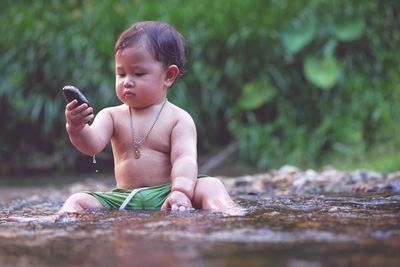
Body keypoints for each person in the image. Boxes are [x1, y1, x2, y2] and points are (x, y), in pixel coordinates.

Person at [8, 21, 241, 222]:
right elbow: (91, 145)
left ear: (169, 76)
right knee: (77, 199)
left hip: (166, 192)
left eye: (138, 74)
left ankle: (226, 211)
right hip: (124, 197)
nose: (127, 81)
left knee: (211, 185)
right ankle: (60, 218)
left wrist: (181, 191)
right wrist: (77, 127)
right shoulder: (111, 115)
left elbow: (185, 159)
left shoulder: (178, 118)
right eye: (121, 74)